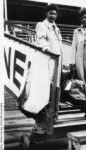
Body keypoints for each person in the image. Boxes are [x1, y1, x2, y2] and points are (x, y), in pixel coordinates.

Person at [33, 4, 62, 134]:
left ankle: (54, 116)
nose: (52, 16)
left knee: (56, 90)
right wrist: (49, 51)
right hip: (48, 62)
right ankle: (42, 121)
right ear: (47, 14)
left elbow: (59, 45)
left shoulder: (56, 28)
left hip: (57, 63)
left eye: (54, 14)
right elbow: (41, 40)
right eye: (50, 13)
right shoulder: (42, 25)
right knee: (47, 91)